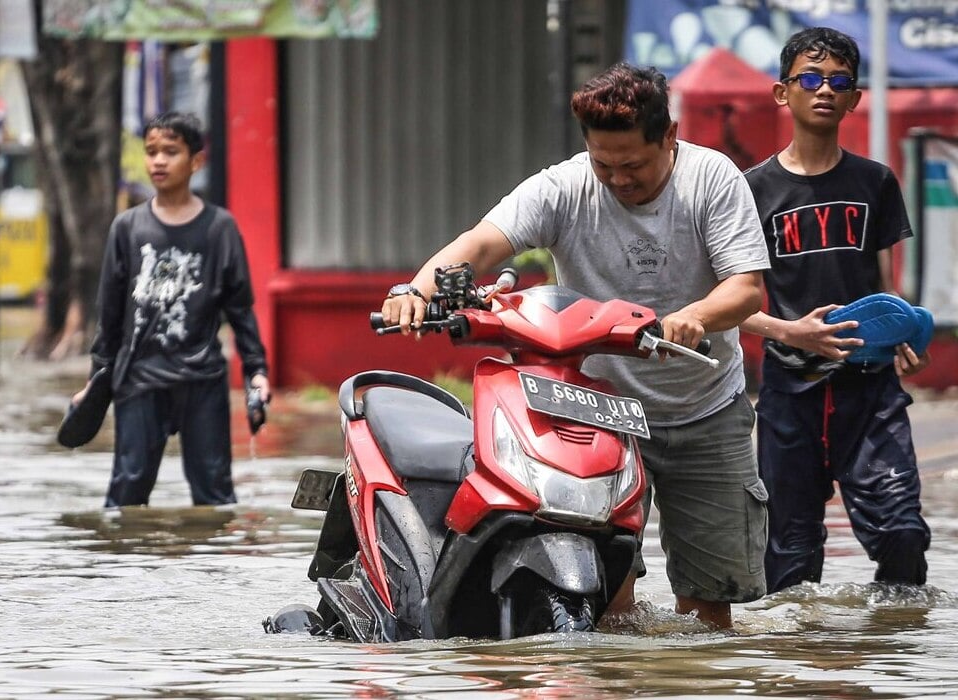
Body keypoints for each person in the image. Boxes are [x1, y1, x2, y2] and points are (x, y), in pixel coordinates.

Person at [383, 63, 771, 629]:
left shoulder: (714, 180)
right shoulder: (564, 185)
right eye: (603, 164)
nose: (617, 179)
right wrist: (413, 289)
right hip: (595, 414)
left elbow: (745, 287)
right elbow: (483, 243)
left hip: (704, 410)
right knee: (606, 602)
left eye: (633, 165)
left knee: (708, 607)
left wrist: (688, 319)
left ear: (669, 137)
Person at [740, 27, 931, 593]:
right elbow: (730, 301)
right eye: (811, 78)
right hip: (789, 395)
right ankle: (802, 671)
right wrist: (791, 333)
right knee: (790, 561)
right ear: (783, 93)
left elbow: (885, 287)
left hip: (870, 390)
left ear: (855, 98)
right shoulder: (751, 190)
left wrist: (904, 336)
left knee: (903, 533)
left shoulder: (875, 182)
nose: (825, 89)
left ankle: (888, 652)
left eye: (840, 81)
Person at [73, 112, 271, 508]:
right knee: (125, 497)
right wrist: (96, 381)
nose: (158, 161)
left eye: (170, 151)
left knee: (215, 498)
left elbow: (240, 309)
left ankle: (213, 571)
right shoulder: (127, 228)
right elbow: (109, 317)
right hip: (139, 380)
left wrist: (257, 372)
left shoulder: (220, 228)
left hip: (202, 381)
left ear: (196, 160)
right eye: (151, 152)